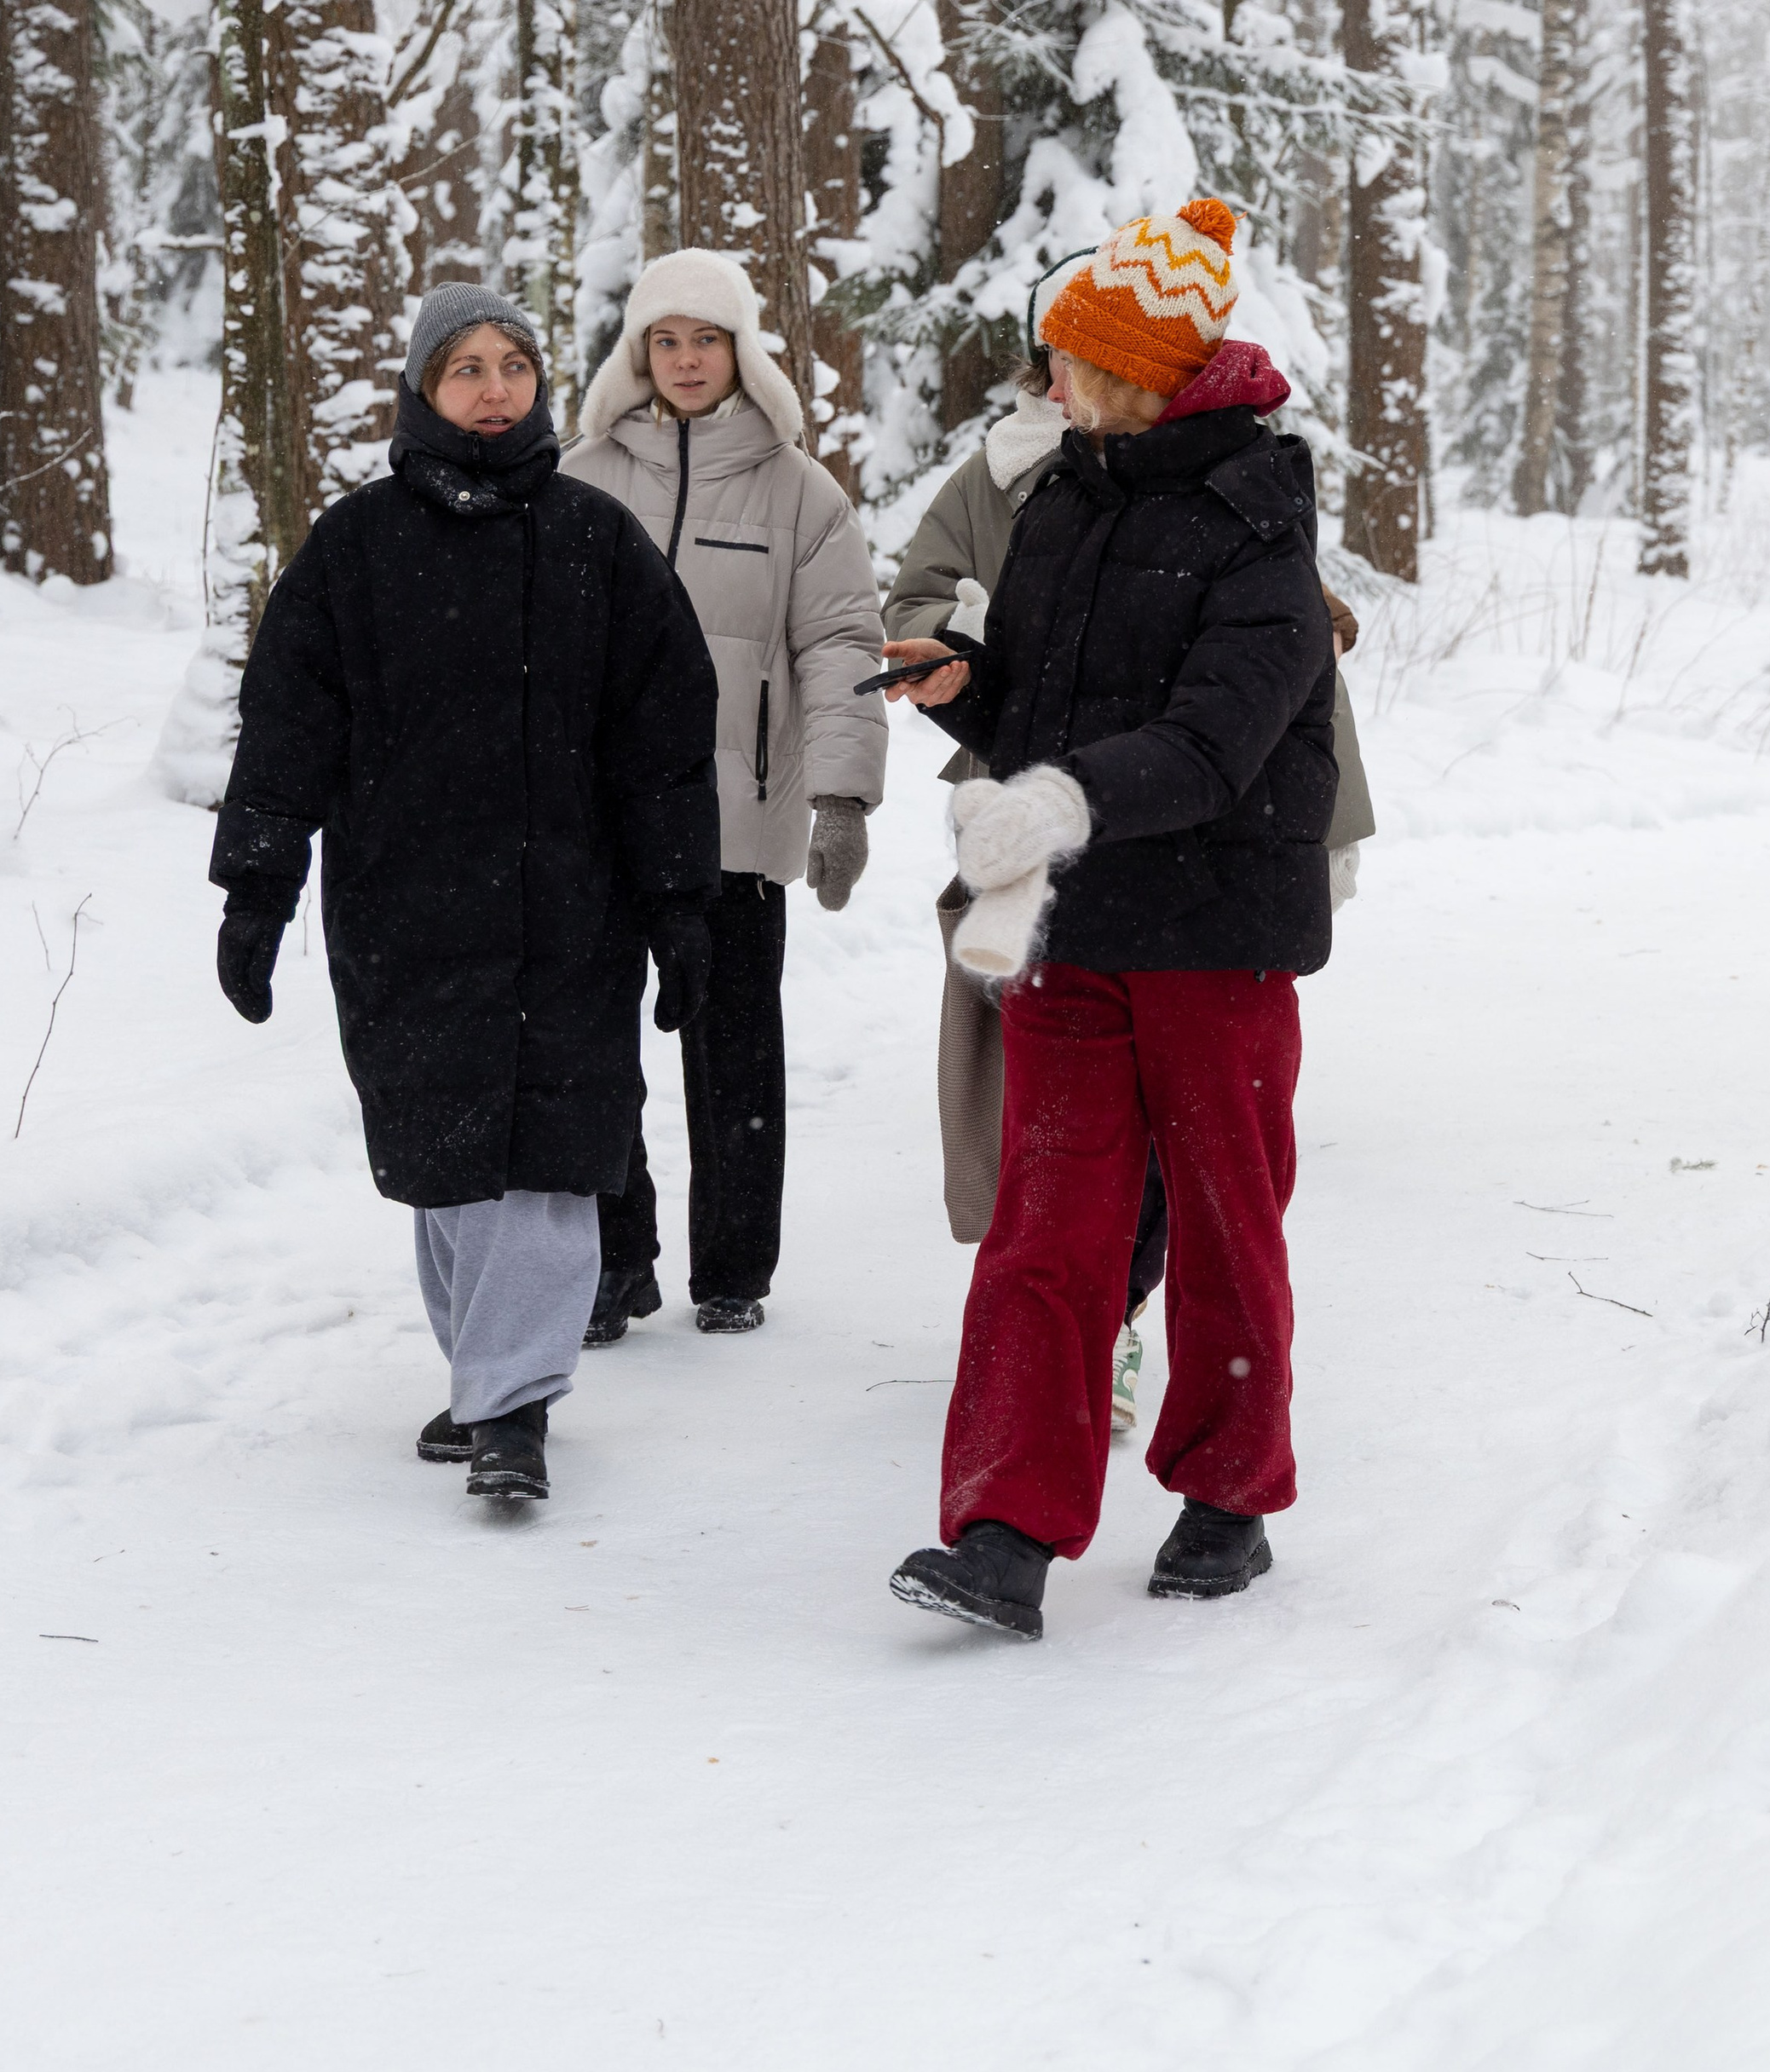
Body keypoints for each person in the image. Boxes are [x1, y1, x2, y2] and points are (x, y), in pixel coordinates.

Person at [881, 198, 1337, 1639]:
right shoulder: (1072, 491)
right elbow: (1040, 694)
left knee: (1221, 1223)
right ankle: (1006, 1529)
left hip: (1217, 934)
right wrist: (971, 686)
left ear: (1137, 375)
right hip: (1073, 927)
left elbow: (1219, 741)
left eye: (1074, 360)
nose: (1051, 378)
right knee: (1048, 1227)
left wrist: (1068, 796)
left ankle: (1228, 1494)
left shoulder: (1257, 522)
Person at [208, 284, 720, 1502]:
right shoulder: (356, 546)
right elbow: (288, 726)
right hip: (407, 906)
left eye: (513, 364)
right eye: (465, 369)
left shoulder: (598, 541)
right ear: (423, 391)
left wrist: (679, 904)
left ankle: (513, 1404)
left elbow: (665, 740)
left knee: (543, 1156)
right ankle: (487, 1380)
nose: (495, 388)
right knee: (445, 1161)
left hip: (570, 909)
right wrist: (258, 889)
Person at [562, 251, 889, 1344]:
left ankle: (733, 1269)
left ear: (742, 350)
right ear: (638, 353)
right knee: (594, 1053)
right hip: (601, 824)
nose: (688, 360)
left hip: (737, 823)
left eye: (707, 339)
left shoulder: (801, 488)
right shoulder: (585, 475)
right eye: (667, 340)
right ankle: (614, 1263)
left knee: (734, 1051)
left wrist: (841, 796)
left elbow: (844, 644)